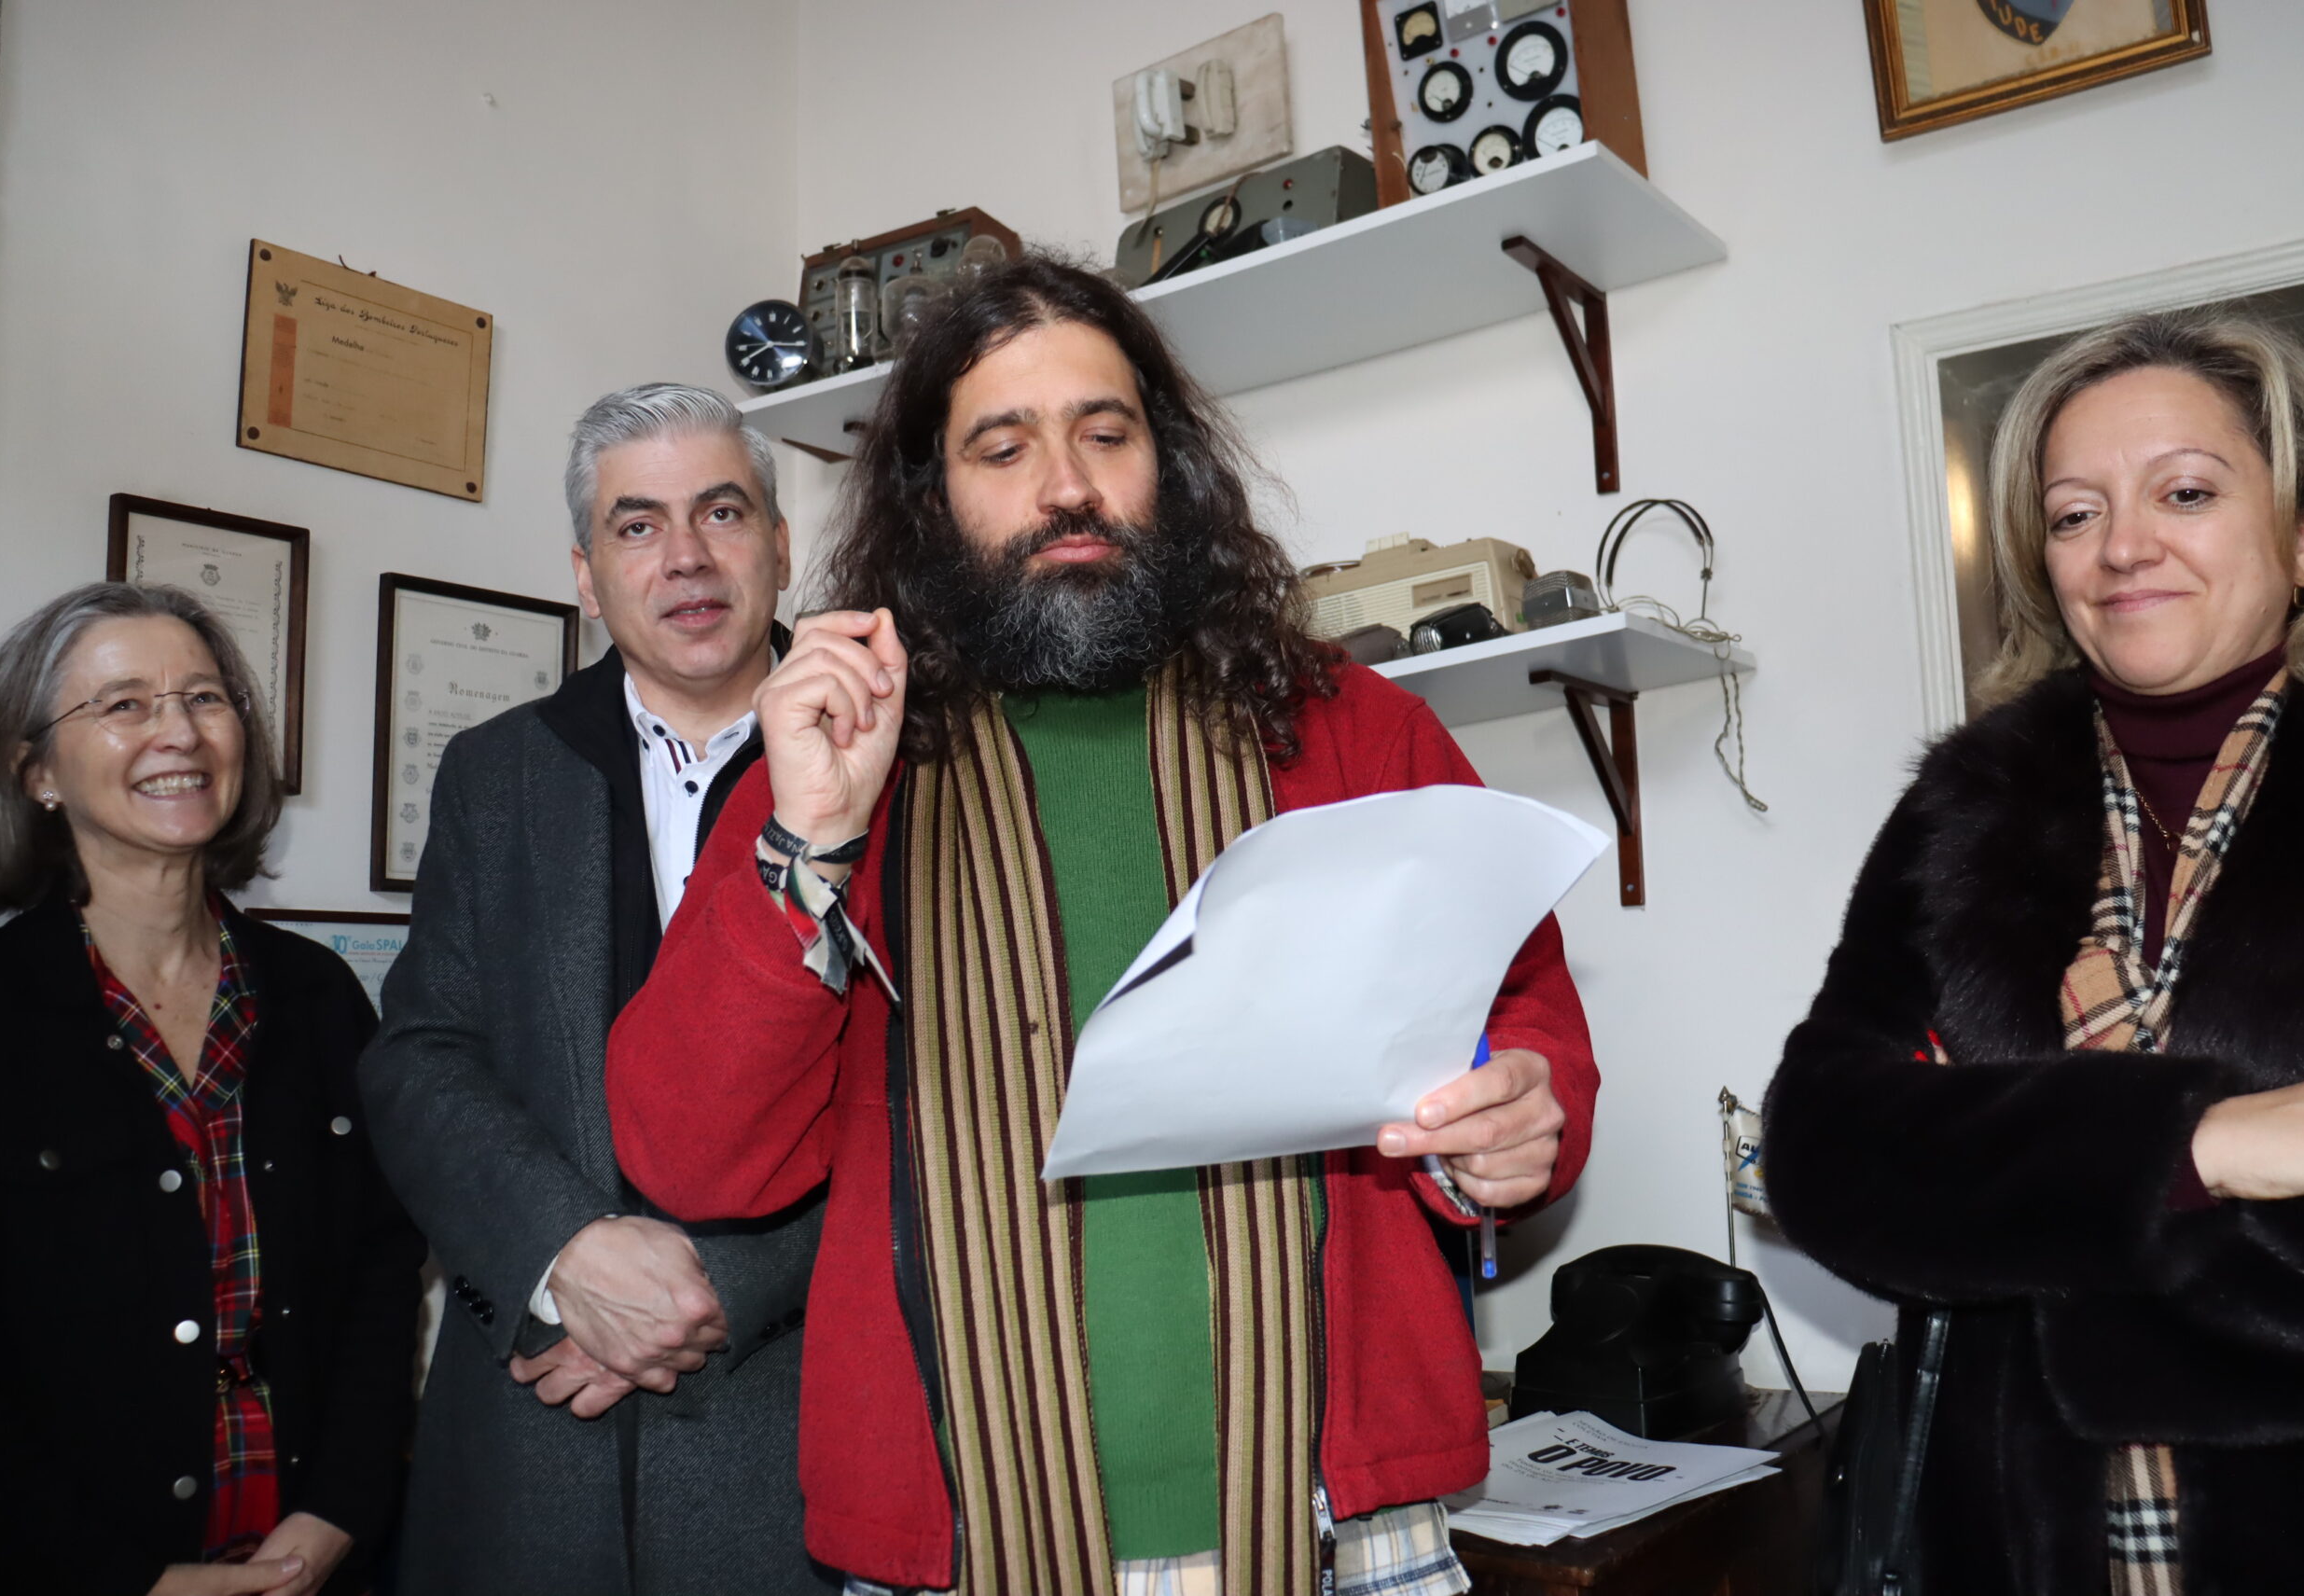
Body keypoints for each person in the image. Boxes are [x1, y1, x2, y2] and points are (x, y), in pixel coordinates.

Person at [606, 256, 1600, 1596]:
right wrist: (809, 843)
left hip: (1347, 1528)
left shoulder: (1359, 732)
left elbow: (1521, 1022)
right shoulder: (830, 768)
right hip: (954, 1545)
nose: (1066, 486)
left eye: (1105, 434)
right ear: (931, 496)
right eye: (1003, 447)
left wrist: (1516, 1113)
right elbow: (693, 1155)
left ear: (1167, 466)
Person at [1766, 309, 2304, 1594]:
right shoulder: (1962, 809)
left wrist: (2014, 1199)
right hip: (2010, 1540)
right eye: (2075, 512)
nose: (2123, 546)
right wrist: (2201, 1147)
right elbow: (1819, 1150)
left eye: (2185, 492)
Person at [357, 384, 831, 1593]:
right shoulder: (495, 772)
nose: (686, 556)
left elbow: (932, 1094)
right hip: (525, 1427)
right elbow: (419, 1058)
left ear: (780, 545)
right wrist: (560, 1248)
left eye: (722, 512)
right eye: (637, 524)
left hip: (785, 1426)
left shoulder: (887, 760)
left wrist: (704, 1292)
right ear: (585, 574)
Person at [0, 582, 423, 1596]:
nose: (177, 731)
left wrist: (337, 1512)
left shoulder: (316, 994)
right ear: (36, 770)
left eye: (205, 697)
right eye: (124, 703)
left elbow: (381, 1274)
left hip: (315, 1560)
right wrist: (130, 1579)